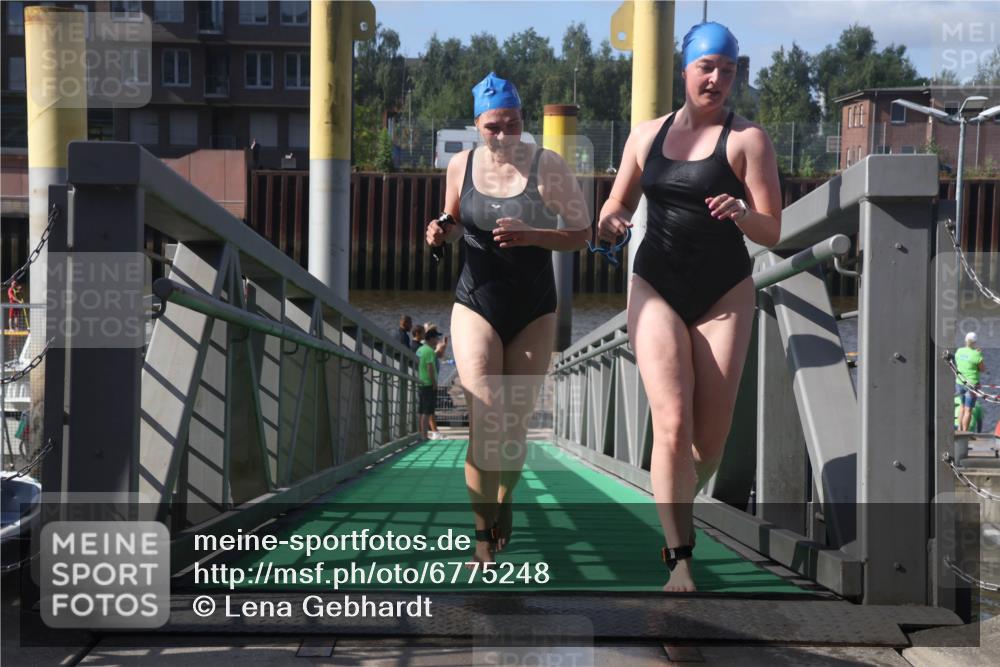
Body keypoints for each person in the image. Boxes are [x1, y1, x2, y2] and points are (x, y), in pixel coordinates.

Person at [596, 22, 781, 591]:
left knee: (710, 444)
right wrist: (610, 219)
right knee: (672, 422)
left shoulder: (748, 140)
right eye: (707, 67)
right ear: (685, 69)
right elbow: (616, 201)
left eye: (728, 70)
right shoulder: (646, 136)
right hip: (656, 284)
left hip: (725, 291)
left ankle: (673, 497)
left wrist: (742, 213)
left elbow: (772, 230)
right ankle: (679, 555)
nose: (717, 79)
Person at [426, 72, 591, 564]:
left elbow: (581, 233)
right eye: (493, 127)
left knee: (513, 431)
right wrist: (440, 232)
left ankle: (505, 497)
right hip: (476, 302)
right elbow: (454, 218)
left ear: (524, 120)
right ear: (477, 125)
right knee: (485, 417)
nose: (504, 136)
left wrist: (533, 234)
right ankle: (482, 538)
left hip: (533, 308)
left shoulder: (548, 166)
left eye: (513, 124)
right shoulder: (461, 164)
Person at [955, 331, 985, 432]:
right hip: (972, 385)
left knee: (962, 406)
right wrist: (979, 353)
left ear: (965, 340)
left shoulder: (959, 351)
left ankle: (959, 429)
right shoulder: (976, 354)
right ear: (975, 342)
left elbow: (958, 363)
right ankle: (965, 432)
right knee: (968, 409)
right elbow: (982, 369)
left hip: (960, 382)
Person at [416, 327, 442, 440]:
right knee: (427, 411)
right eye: (436, 338)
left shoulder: (420, 349)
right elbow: (430, 367)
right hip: (428, 384)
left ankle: (420, 433)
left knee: (421, 411)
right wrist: (434, 383)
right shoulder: (430, 351)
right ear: (431, 338)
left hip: (421, 382)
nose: (437, 341)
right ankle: (424, 436)